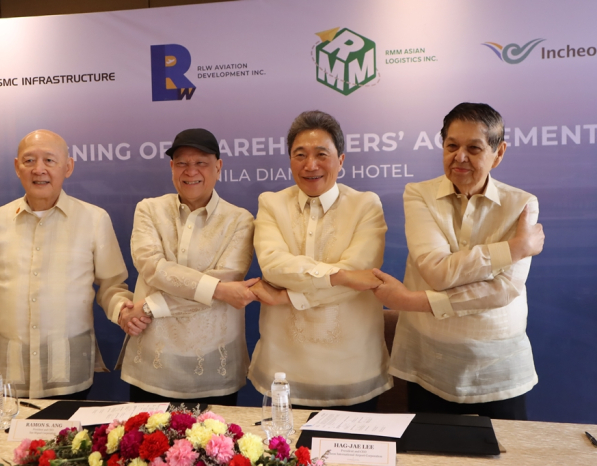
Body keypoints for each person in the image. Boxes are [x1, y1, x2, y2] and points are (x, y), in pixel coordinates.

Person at [372, 102, 545, 420]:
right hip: (429, 359)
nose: (459, 157)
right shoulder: (419, 194)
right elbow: (436, 271)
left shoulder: (522, 205)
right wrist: (513, 249)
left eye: (474, 148)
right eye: (452, 145)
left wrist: (412, 300)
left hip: (498, 366)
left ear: (499, 152)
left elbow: (503, 290)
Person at [0, 129, 138, 400]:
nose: (39, 169)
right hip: (8, 373)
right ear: (16, 167)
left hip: (68, 369)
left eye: (50, 160)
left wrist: (123, 310)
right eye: (29, 160)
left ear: (67, 167)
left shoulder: (94, 219)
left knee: (63, 443)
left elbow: (111, 286)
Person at [247, 110, 391, 411]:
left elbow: (360, 279)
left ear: (341, 159)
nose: (310, 165)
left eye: (321, 154)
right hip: (283, 367)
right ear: (289, 160)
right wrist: (340, 276)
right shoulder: (271, 204)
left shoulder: (366, 206)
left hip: (352, 367)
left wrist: (287, 296)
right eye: (300, 155)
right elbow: (272, 265)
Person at [116, 128, 257, 406]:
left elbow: (225, 283)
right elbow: (152, 267)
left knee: (215, 449)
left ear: (218, 167)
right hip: (152, 367)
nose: (190, 171)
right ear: (171, 168)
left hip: (215, 369)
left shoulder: (240, 220)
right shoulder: (148, 209)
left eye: (201, 163)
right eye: (182, 163)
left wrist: (148, 306)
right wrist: (216, 289)